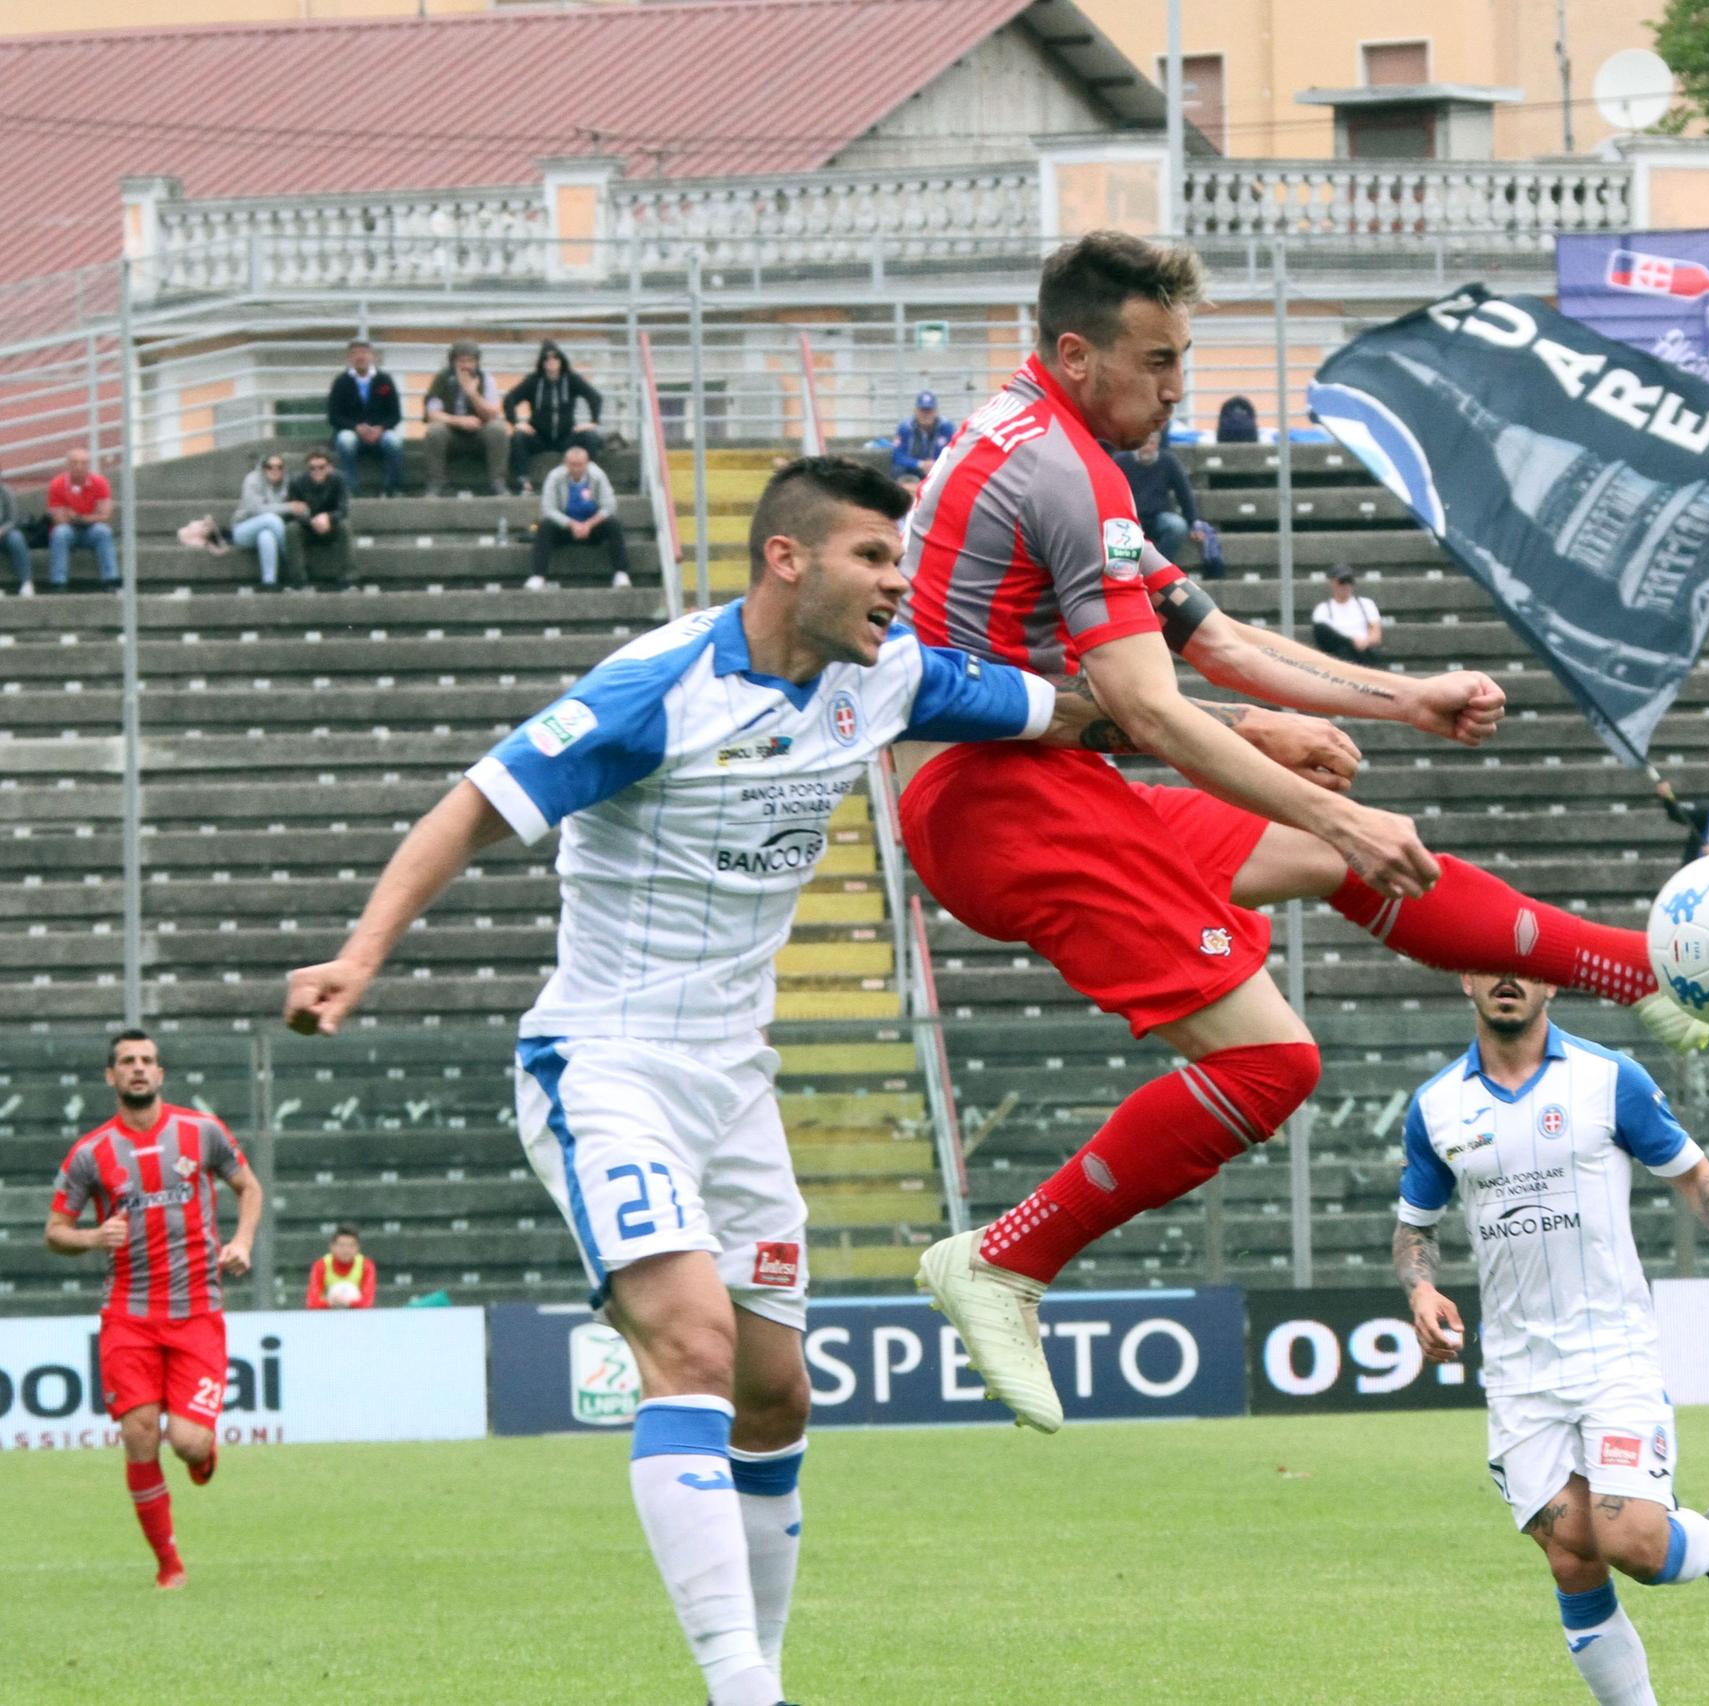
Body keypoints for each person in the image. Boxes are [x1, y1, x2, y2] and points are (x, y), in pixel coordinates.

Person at [284, 455, 1209, 1706]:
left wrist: (1258, 732)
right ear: (788, 559)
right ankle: (742, 1689)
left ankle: (758, 1668)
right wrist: (359, 953)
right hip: (605, 1061)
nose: (899, 581)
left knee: (776, 1393)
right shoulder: (655, 689)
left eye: (901, 557)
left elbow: (1079, 713)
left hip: (734, 1080)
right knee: (692, 1344)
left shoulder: (889, 676)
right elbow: (473, 806)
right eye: (874, 558)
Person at [887, 234, 1704, 1435]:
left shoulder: (1032, 438)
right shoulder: (1071, 471)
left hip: (1015, 781)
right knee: (1273, 1061)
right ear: (1077, 352)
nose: (1176, 387)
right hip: (999, 802)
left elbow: (1206, 640)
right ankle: (1006, 1259)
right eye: (1157, 361)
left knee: (1328, 860)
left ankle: (1641, 971)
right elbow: (1151, 706)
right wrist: (1333, 803)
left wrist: (1400, 697)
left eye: (1184, 359)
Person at [1393, 973, 1709, 1702]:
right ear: (1463, 978)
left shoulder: (1611, 1080)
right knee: (1572, 1556)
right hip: (1518, 1373)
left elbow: (1696, 1173)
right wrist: (1420, 1287)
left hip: (1613, 1354)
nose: (1504, 979)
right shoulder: (1436, 1105)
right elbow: (1415, 1224)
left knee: (1634, 1544)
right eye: (1485, 963)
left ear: (1549, 980)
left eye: (1521, 965)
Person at [44, 1029, 262, 1590]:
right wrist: (94, 1238)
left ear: (161, 1074)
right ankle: (169, 1565)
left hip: (196, 1313)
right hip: (128, 1317)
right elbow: (55, 1232)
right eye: (126, 1062)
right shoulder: (91, 1154)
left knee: (187, 1442)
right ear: (110, 1077)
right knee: (140, 1436)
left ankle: (202, 1456)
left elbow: (250, 1188)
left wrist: (241, 1243)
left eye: (147, 1061)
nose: (138, 1069)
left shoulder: (202, 1132)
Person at [504, 340, 608, 495]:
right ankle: (523, 481)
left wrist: (593, 422)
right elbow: (510, 399)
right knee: (518, 437)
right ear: (542, 362)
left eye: (555, 358)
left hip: (566, 436)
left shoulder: (571, 379)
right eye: (546, 358)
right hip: (538, 436)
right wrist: (516, 423)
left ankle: (588, 480)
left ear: (561, 360)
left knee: (590, 437)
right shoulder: (533, 380)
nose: (551, 362)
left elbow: (595, 397)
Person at [528, 444, 632, 591]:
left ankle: (621, 573)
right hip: (565, 529)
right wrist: (572, 524)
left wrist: (589, 524)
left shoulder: (597, 476)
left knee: (613, 524)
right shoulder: (554, 477)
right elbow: (548, 508)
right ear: (565, 463)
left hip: (592, 528)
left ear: (587, 463)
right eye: (572, 464)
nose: (576, 468)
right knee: (544, 526)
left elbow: (609, 506)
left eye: (580, 465)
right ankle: (538, 576)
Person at [1113, 428, 1214, 572]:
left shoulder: (1169, 461)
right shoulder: (1122, 461)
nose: (1147, 447)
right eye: (1144, 443)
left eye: (1151, 443)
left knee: (1177, 526)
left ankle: (1159, 568)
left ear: (1157, 444)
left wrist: (1193, 522)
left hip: (1158, 516)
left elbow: (1184, 493)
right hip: (1130, 517)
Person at [422, 338, 509, 497]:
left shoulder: (486, 379)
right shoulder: (442, 379)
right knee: (434, 430)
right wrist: (459, 421)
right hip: (451, 434)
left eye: (470, 361)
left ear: (477, 362)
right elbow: (432, 413)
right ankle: (437, 483)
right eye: (461, 361)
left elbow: (492, 413)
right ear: (453, 361)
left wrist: (472, 393)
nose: (466, 365)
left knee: (497, 428)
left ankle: (497, 482)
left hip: (479, 433)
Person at [327, 338, 405, 495]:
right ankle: (351, 487)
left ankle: (393, 488)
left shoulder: (384, 380)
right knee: (345, 440)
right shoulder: (341, 382)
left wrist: (381, 428)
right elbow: (333, 416)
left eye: (364, 352)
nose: (360, 357)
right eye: (355, 353)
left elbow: (395, 415)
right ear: (349, 358)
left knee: (394, 442)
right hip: (351, 432)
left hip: (380, 432)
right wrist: (356, 428)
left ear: (372, 356)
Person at [43, 445, 119, 591]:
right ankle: (59, 582)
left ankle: (110, 580)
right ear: (67, 465)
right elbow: (58, 519)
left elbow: (105, 515)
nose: (79, 467)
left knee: (104, 532)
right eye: (74, 463)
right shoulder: (57, 484)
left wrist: (77, 517)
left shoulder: (100, 483)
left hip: (90, 531)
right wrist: (90, 517)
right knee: (60, 533)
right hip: (68, 531)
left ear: (88, 465)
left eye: (83, 463)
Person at [285, 446, 352, 590]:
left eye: (321, 467)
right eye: (312, 468)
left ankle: (348, 578)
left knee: (345, 526)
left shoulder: (339, 479)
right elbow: (292, 512)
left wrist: (328, 517)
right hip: (307, 528)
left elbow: (343, 509)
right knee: (291, 529)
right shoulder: (297, 482)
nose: (317, 471)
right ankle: (298, 580)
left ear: (329, 467)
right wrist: (312, 521)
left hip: (331, 527)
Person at [230, 451, 297, 590]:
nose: (275, 470)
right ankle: (291, 562)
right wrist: (288, 507)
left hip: (272, 530)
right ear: (263, 467)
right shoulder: (252, 479)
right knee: (271, 519)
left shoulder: (288, 482)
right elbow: (256, 509)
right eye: (270, 466)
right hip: (243, 528)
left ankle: (269, 582)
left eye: (279, 467)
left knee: (266, 536)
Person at [1309, 565, 1382, 661]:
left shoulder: (1366, 604)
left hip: (1361, 652)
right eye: (1342, 582)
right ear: (1332, 583)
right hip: (1337, 654)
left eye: (1349, 581)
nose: (1346, 585)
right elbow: (1324, 637)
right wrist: (1351, 641)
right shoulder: (1322, 609)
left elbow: (1376, 635)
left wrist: (1365, 642)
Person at [305, 1224, 376, 1309]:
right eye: (341, 1245)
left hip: (358, 1316)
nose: (346, 1250)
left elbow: (368, 1302)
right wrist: (330, 1302)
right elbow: (312, 1302)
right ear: (332, 1247)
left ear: (358, 1248)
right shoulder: (321, 1265)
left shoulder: (366, 1266)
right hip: (327, 1315)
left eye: (351, 1246)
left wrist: (348, 1302)